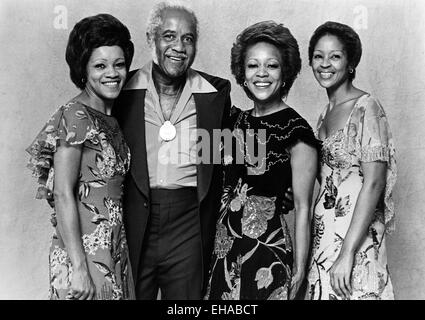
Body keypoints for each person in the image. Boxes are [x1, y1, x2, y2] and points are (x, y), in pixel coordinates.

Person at [113, 1, 231, 299]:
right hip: (136, 217)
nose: (179, 47)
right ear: (151, 39)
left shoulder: (214, 94)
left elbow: (232, 151)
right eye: (169, 36)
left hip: (188, 222)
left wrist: (281, 179)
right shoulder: (122, 91)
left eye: (188, 38)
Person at [204, 21, 319, 300]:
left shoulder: (296, 131)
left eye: (272, 65)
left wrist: (300, 271)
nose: (262, 74)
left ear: (285, 73)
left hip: (267, 255)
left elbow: (303, 208)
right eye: (253, 66)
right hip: (223, 252)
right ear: (242, 75)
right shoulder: (231, 121)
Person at [26, 14, 136, 300]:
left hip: (113, 246)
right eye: (100, 65)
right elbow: (62, 193)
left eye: (119, 64)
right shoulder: (76, 115)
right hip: (83, 253)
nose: (112, 73)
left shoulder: (110, 118)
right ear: (83, 71)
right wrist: (79, 268)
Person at [305, 21, 397, 300]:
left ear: (350, 62)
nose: (325, 64)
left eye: (335, 56)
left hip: (355, 242)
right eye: (318, 56)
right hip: (323, 239)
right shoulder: (323, 114)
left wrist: (347, 253)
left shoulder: (367, 107)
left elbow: (374, 183)